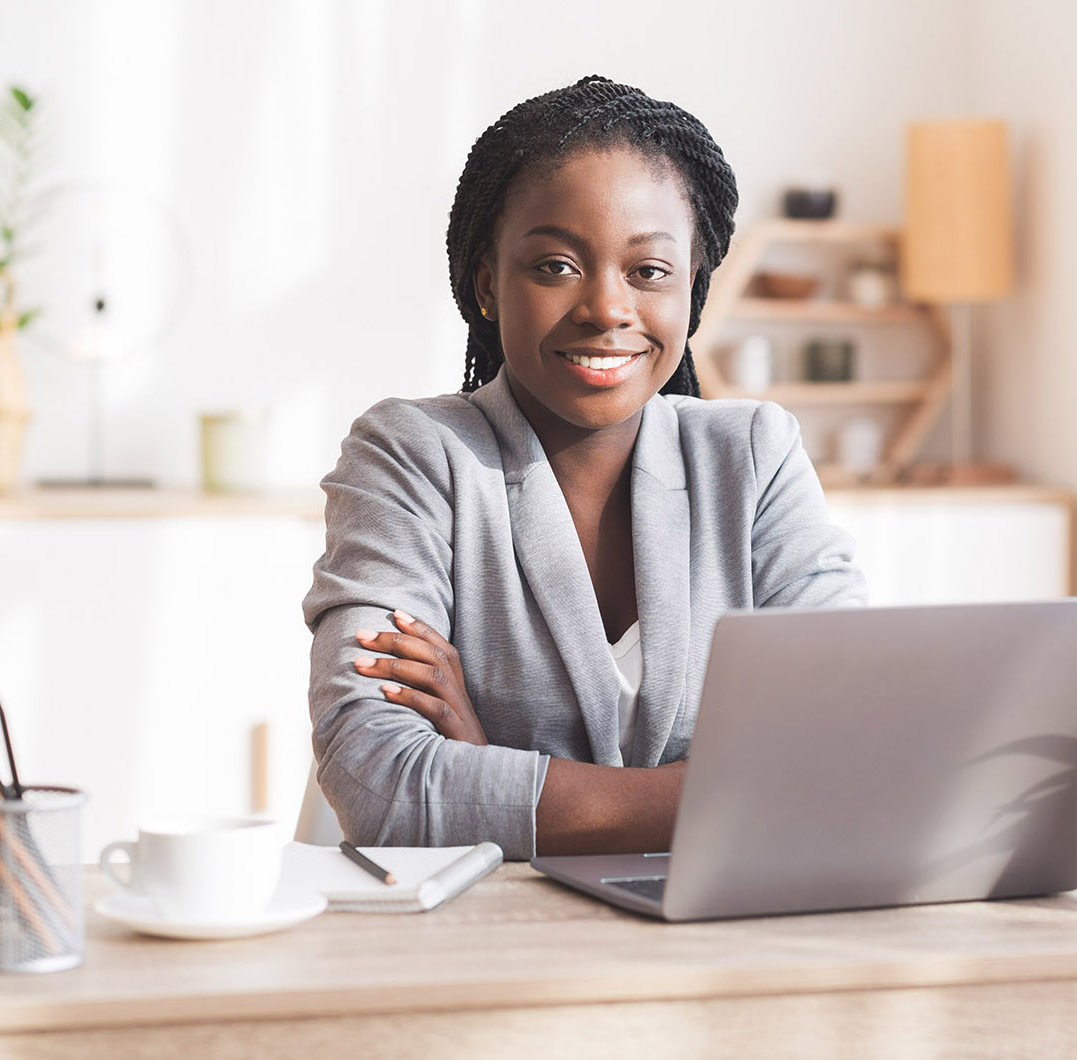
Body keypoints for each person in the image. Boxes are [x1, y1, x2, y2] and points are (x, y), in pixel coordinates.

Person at [303, 76, 866, 860]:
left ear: (692, 289)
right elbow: (379, 782)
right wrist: (729, 794)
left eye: (650, 271)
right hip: (483, 949)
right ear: (488, 283)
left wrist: (492, 775)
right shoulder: (412, 456)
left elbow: (855, 762)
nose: (607, 308)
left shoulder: (754, 458)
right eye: (556, 266)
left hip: (721, 937)